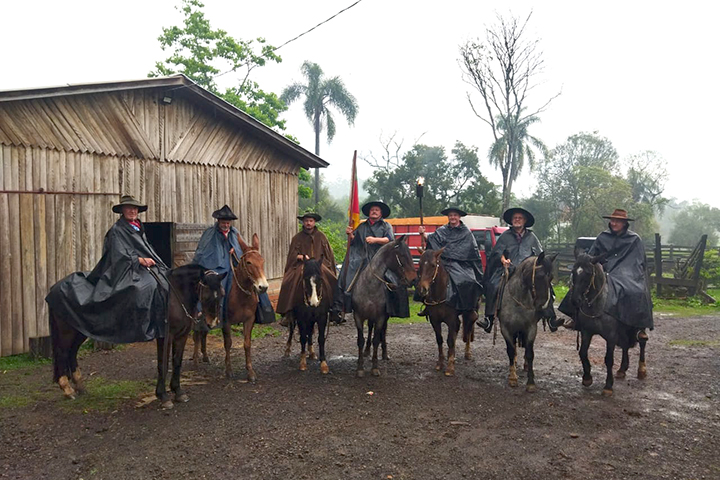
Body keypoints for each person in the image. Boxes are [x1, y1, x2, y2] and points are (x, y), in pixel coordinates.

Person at [46, 195, 169, 343]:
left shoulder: (137, 228)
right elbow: (118, 254)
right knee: (140, 289)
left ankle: (162, 324)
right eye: (129, 208)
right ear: (122, 210)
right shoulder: (117, 230)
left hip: (138, 268)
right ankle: (137, 327)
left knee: (163, 280)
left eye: (135, 208)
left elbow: (145, 249)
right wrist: (139, 260)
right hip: (123, 269)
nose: (132, 211)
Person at [558, 209, 653, 339]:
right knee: (580, 284)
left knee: (638, 291)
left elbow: (638, 260)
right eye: (612, 220)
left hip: (626, 271)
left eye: (618, 221)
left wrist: (626, 272)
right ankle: (576, 317)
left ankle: (638, 327)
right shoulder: (603, 237)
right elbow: (591, 255)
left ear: (625, 223)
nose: (614, 223)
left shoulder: (634, 239)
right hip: (604, 269)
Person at [479, 207, 559, 333]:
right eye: (515, 218)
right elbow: (497, 252)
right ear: (511, 220)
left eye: (520, 218)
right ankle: (489, 318)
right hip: (509, 269)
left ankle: (551, 319)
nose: (517, 220)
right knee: (493, 286)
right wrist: (503, 260)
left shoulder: (532, 237)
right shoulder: (505, 236)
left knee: (546, 286)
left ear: (525, 221)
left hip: (528, 271)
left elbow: (540, 255)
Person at [193, 205, 274, 325]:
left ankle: (263, 311)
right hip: (216, 266)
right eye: (223, 222)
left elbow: (241, 247)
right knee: (218, 286)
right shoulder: (210, 233)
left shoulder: (234, 232)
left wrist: (235, 250)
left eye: (227, 223)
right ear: (218, 221)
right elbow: (203, 251)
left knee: (254, 281)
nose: (226, 225)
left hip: (233, 263)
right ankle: (205, 313)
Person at [337, 201, 409, 318]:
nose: (374, 211)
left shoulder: (386, 226)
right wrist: (350, 235)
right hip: (363, 258)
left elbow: (390, 240)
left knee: (396, 281)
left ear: (381, 213)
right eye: (372, 210)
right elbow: (355, 242)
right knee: (347, 277)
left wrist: (375, 240)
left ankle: (394, 308)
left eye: (377, 210)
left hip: (382, 259)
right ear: (369, 213)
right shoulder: (362, 226)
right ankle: (343, 306)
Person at [417, 207, 483, 323]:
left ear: (459, 217)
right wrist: (423, 234)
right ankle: (428, 305)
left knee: (469, 281)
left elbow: (471, 251)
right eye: (451, 215)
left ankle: (469, 309)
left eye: (455, 215)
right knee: (425, 276)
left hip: (460, 264)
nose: (453, 217)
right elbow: (433, 239)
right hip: (442, 262)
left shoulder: (466, 232)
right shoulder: (442, 230)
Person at [276, 212, 338, 327]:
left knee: (332, 279)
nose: (308, 223)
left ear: (314, 222)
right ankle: (288, 311)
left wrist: (323, 263)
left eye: (310, 221)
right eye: (306, 221)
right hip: (302, 264)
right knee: (290, 281)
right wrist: (300, 257)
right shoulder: (297, 238)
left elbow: (329, 255)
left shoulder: (322, 236)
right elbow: (292, 256)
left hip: (319, 264)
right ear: (303, 223)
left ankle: (334, 308)